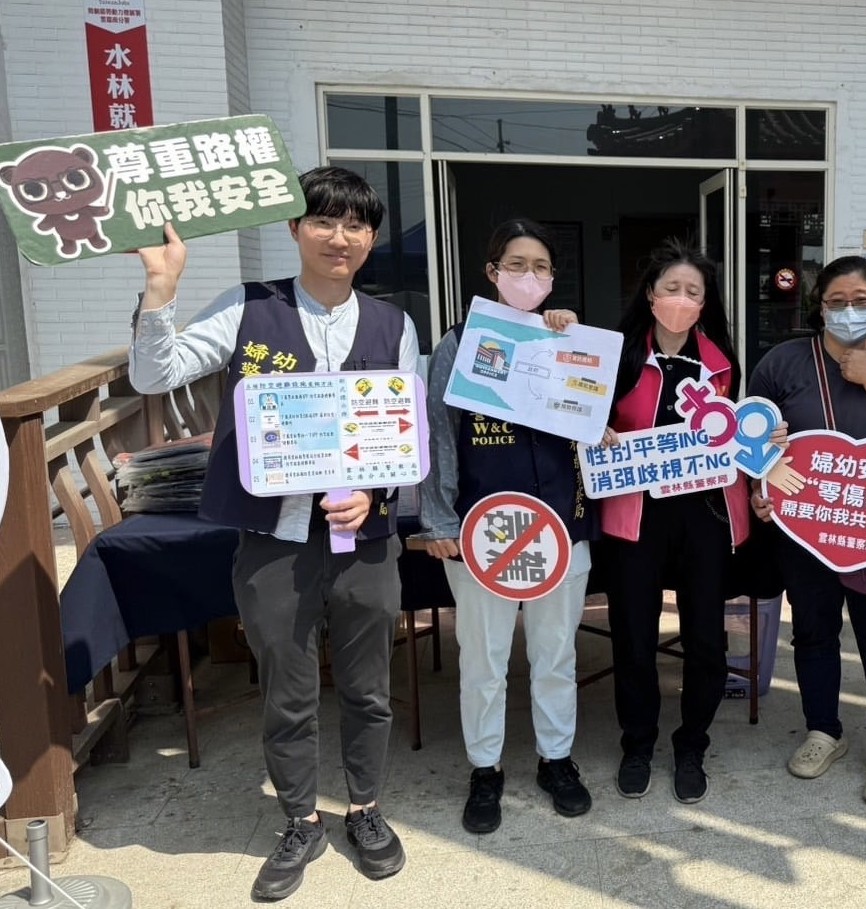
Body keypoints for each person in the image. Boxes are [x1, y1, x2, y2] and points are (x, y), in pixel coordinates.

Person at [129, 166, 416, 901]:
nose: (340, 237)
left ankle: (365, 809)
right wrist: (161, 288)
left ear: (371, 239)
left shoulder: (393, 324)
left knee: (369, 687)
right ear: (295, 229)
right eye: (323, 220)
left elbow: (401, 432)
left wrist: (375, 492)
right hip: (273, 536)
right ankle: (299, 820)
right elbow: (155, 375)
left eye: (356, 225)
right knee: (287, 689)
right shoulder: (248, 306)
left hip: (364, 538)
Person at [417, 219, 597, 834]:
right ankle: (485, 769)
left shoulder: (566, 340)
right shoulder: (460, 342)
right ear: (492, 272)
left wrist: (574, 346)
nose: (529, 276)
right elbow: (439, 435)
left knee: (556, 654)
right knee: (483, 660)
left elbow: (592, 421)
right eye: (516, 264)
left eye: (541, 267)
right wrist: (438, 517)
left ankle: (557, 760)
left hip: (561, 524)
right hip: (482, 529)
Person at [749, 255, 866, 807]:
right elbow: (751, 435)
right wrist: (761, 487)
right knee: (813, 632)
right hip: (804, 529)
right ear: (819, 306)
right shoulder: (784, 362)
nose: (850, 311)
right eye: (837, 302)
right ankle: (822, 731)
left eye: (862, 301)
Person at [598, 239, 746, 804]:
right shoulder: (618, 357)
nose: (681, 300)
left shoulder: (721, 363)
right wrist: (596, 429)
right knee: (634, 637)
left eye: (693, 291)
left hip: (705, 514)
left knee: (705, 639)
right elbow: (577, 413)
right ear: (650, 294)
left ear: (705, 303)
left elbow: (736, 436)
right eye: (672, 288)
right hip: (635, 513)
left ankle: (692, 744)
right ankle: (637, 743)